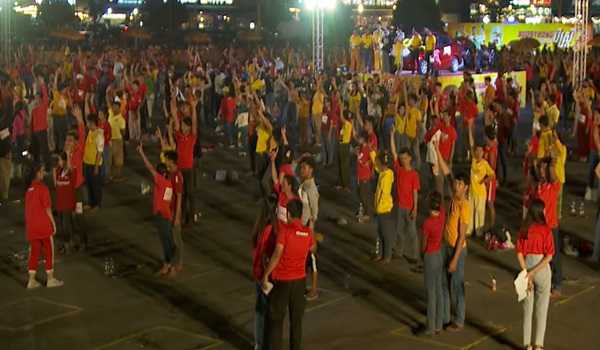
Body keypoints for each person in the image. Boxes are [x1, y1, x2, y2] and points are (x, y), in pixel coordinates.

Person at [263, 199, 316, 350]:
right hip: (299, 282)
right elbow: (313, 249)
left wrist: (266, 274)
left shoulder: (285, 231)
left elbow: (277, 254)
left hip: (283, 281)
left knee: (276, 321)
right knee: (296, 322)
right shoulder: (307, 233)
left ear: (289, 214)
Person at [435, 140, 470, 332]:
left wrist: (455, 259)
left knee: (456, 285)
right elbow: (447, 171)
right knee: (444, 282)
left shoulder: (464, 205)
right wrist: (436, 149)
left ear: (465, 187)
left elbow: (462, 235)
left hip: (457, 250)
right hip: (446, 245)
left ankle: (459, 319)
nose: (456, 185)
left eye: (460, 184)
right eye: (456, 183)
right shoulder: (454, 197)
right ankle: (446, 316)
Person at [516, 199, 554, 350]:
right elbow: (549, 255)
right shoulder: (546, 230)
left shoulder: (524, 229)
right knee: (541, 309)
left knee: (527, 310)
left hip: (527, 264)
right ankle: (538, 345)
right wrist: (534, 272)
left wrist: (527, 273)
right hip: (541, 269)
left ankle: (527, 345)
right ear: (540, 212)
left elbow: (519, 253)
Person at [138, 144, 177, 278]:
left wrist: (142, 153)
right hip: (166, 215)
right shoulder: (168, 183)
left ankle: (170, 266)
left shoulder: (161, 181)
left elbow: (149, 168)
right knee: (167, 241)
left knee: (166, 242)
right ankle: (168, 265)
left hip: (161, 216)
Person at [24, 162, 63, 289]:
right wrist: (53, 223)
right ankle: (50, 279)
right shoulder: (43, 188)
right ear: (37, 173)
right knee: (49, 251)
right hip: (43, 226)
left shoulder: (29, 190)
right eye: (41, 171)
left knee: (34, 252)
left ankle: (31, 281)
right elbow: (47, 209)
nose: (43, 173)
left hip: (31, 227)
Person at [390, 130, 420, 265]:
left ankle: (414, 255)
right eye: (401, 158)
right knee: (399, 230)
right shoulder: (399, 169)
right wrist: (391, 136)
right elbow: (393, 153)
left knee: (412, 232)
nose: (401, 160)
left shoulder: (414, 174)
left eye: (404, 158)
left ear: (409, 158)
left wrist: (415, 208)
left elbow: (415, 192)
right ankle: (399, 251)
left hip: (409, 207)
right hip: (400, 205)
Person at [534, 157, 562, 298]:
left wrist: (551, 165)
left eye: (544, 168)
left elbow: (555, 177)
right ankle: (545, 281)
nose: (541, 170)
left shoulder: (553, 186)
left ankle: (557, 285)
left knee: (554, 256)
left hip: (551, 226)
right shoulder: (539, 185)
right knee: (543, 256)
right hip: (541, 227)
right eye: (540, 168)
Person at [172, 93, 199, 224]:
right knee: (181, 194)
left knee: (191, 193)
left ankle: (192, 216)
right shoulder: (178, 135)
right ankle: (182, 216)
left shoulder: (192, 137)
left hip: (188, 169)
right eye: (182, 125)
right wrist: (172, 97)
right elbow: (174, 115)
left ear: (188, 128)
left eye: (184, 126)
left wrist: (193, 108)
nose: (182, 127)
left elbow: (194, 122)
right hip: (179, 169)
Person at [422, 191, 445, 335]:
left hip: (430, 256)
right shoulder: (441, 216)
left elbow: (423, 243)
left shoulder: (427, 223)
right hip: (439, 254)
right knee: (439, 290)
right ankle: (438, 324)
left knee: (431, 293)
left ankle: (430, 327)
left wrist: (422, 254)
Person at [298, 156, 320, 301]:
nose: (301, 170)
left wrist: (310, 231)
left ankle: (314, 289)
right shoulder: (304, 184)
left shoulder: (311, 187)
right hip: (301, 224)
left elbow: (315, 211)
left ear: (311, 170)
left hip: (307, 227)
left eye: (304, 168)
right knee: (303, 258)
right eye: (301, 168)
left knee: (311, 259)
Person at [163, 150, 184, 274]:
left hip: (174, 211)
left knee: (177, 239)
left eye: (166, 159)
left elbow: (179, 196)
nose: (165, 162)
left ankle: (178, 264)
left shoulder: (177, 176)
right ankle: (170, 264)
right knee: (169, 239)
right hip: (168, 210)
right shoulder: (169, 173)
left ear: (171, 161)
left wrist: (177, 216)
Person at [373, 151, 395, 263]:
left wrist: (378, 208)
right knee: (380, 233)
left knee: (385, 234)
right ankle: (380, 254)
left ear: (382, 165)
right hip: (380, 210)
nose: (376, 165)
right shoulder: (384, 172)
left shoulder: (386, 177)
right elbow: (376, 168)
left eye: (377, 163)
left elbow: (384, 194)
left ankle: (387, 256)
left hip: (384, 210)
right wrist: (373, 153)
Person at [53, 152, 75, 254]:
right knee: (62, 225)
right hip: (60, 203)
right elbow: (55, 185)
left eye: (60, 160)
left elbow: (70, 169)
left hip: (67, 203)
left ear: (65, 161)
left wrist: (68, 154)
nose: (58, 162)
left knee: (66, 225)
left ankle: (68, 245)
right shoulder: (58, 171)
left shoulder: (70, 171)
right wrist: (54, 171)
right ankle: (68, 244)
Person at [83, 113, 105, 210]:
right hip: (87, 163)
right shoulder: (90, 132)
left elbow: (100, 152)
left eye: (88, 122)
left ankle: (97, 204)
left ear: (92, 123)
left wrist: (96, 167)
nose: (87, 124)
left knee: (96, 185)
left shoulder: (99, 135)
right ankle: (91, 202)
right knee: (89, 184)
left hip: (94, 165)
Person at [337, 110, 353, 191]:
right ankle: (341, 184)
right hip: (341, 145)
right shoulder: (345, 125)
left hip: (345, 146)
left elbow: (341, 118)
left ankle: (346, 185)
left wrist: (341, 107)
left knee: (344, 167)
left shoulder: (348, 124)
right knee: (340, 165)